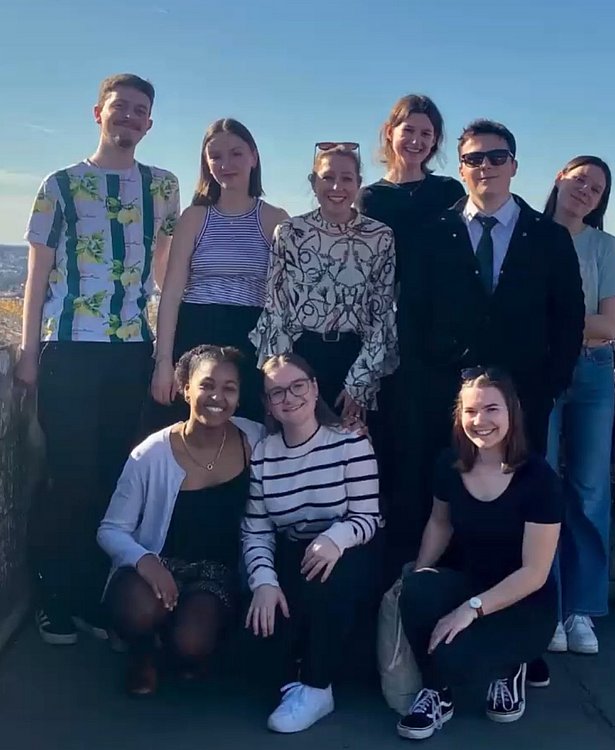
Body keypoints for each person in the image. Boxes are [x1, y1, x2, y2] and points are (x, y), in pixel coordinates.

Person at [16, 73, 180, 646]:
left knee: (114, 478)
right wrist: (28, 352)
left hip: (131, 351)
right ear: (98, 113)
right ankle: (54, 596)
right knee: (69, 476)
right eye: (120, 107)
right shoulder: (60, 185)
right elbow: (37, 277)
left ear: (150, 124)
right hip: (69, 348)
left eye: (139, 111)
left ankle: (93, 595)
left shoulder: (162, 186)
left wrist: (164, 356)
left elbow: (166, 276)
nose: (129, 117)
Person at [406, 118, 584, 472]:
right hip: (447, 400)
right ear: (461, 170)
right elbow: (412, 314)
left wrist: (550, 387)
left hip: (526, 398)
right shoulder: (431, 235)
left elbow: (568, 319)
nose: (485, 165)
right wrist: (427, 383)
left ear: (513, 166)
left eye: (497, 157)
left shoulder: (549, 238)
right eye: (474, 159)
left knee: (521, 491)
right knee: (449, 492)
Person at [396, 369, 561, 741]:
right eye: (470, 411)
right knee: (417, 589)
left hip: (524, 602)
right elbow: (440, 524)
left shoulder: (540, 479)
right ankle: (436, 692)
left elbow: (535, 572)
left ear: (512, 412)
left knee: (458, 657)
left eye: (491, 409)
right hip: (468, 581)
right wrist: (421, 575)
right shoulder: (449, 464)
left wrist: (471, 609)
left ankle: (511, 667)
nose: (480, 420)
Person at [97, 345, 264, 695]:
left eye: (229, 388)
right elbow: (111, 530)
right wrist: (145, 561)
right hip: (158, 563)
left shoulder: (256, 440)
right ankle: (142, 653)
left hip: (215, 575)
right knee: (140, 609)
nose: (217, 397)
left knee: (191, 642)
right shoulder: (151, 453)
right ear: (186, 389)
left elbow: (304, 436)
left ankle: (179, 650)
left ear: (239, 397)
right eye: (206, 385)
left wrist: (342, 426)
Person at [242, 353, 382, 733]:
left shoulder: (350, 441)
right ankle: (292, 679)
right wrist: (263, 582)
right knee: (265, 626)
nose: (289, 397)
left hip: (349, 548)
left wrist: (335, 539)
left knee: (328, 579)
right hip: (294, 550)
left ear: (315, 387)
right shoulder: (264, 454)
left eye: (298, 386)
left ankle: (318, 687)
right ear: (268, 403)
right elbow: (256, 529)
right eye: (277, 392)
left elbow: (368, 517)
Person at [356, 94, 465, 569]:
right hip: (385, 341)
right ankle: (392, 567)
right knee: (391, 452)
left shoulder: (448, 192)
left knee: (437, 450)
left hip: (437, 342)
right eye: (409, 131)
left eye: (426, 133)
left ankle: (435, 564)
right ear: (390, 133)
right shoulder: (372, 198)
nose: (417, 141)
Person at [542, 156, 615, 655]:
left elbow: (608, 325)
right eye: (579, 180)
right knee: (541, 485)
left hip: (592, 372)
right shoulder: (529, 236)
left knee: (589, 489)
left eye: (596, 189)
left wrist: (550, 324)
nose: (585, 191)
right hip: (539, 371)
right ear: (559, 178)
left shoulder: (603, 246)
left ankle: (580, 608)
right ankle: (547, 604)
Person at [150, 118, 289, 426]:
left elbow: (284, 301)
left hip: (250, 338)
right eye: (216, 156)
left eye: (236, 153)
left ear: (253, 157)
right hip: (195, 333)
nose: (226, 164)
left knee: (247, 433)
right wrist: (163, 362)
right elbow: (171, 294)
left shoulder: (275, 220)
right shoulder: (194, 217)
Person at [250, 144, 397, 428]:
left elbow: (382, 313)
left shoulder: (380, 236)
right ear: (313, 182)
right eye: (328, 177)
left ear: (358, 183)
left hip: (354, 357)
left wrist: (360, 382)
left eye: (346, 178)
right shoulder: (290, 233)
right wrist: (285, 379)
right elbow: (276, 307)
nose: (337, 187)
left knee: (351, 444)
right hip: (301, 356)